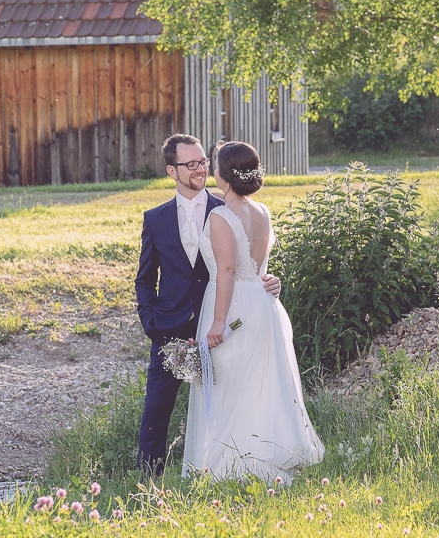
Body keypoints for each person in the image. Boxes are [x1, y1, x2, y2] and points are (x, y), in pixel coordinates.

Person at [135, 134, 280, 477]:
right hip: (169, 326)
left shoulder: (227, 208)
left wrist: (270, 280)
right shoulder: (155, 219)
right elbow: (144, 278)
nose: (200, 169)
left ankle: (223, 471)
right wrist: (150, 321)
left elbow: (245, 264)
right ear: (172, 170)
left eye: (203, 162)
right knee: (156, 407)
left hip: (221, 325)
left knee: (226, 403)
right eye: (191, 164)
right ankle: (145, 480)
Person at [182, 141, 324, 483]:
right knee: (256, 383)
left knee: (230, 382)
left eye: (214, 164)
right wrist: (268, 280)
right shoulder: (262, 211)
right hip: (262, 304)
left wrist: (218, 322)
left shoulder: (220, 215)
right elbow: (259, 267)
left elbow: (228, 271)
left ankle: (234, 461)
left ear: (225, 174)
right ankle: (260, 451)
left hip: (233, 306)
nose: (211, 169)